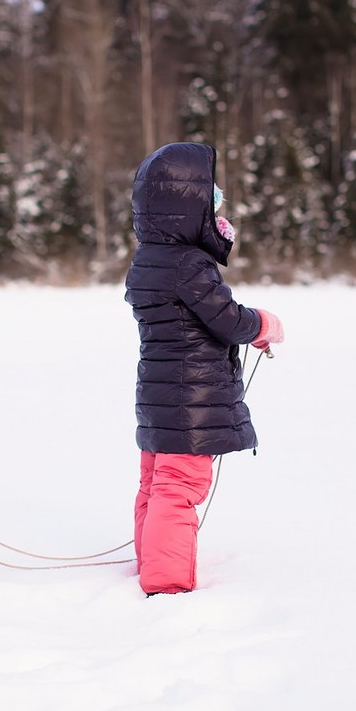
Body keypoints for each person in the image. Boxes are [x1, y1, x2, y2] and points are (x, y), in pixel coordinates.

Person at [124, 142, 284, 596]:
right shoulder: (190, 264)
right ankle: (167, 581)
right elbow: (227, 319)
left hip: (158, 398)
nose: (217, 216)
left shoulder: (147, 259)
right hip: (189, 397)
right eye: (210, 204)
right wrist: (263, 324)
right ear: (185, 209)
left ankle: (151, 562)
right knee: (179, 488)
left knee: (154, 484)